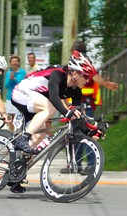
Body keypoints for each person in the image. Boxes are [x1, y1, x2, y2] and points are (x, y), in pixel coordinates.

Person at [9, 50, 96, 193]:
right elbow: (55, 98)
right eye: (85, 76)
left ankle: (14, 174)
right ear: (75, 73)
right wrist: (67, 112)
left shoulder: (76, 91)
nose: (88, 80)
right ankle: (23, 138)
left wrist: (90, 131)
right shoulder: (57, 74)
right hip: (22, 92)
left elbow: (77, 117)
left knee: (39, 136)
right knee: (49, 108)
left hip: (35, 102)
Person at [61, 40, 118, 175]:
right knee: (75, 134)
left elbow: (94, 76)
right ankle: (76, 164)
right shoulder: (78, 63)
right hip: (77, 103)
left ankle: (91, 165)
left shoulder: (84, 63)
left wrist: (105, 84)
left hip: (84, 104)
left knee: (86, 134)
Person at [4, 55, 26, 131]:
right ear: (10, 63)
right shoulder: (8, 73)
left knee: (19, 117)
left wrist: (15, 79)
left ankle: (19, 132)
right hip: (10, 98)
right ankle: (10, 133)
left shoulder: (22, 72)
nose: (14, 63)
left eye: (16, 61)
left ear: (18, 62)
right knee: (10, 117)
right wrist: (10, 79)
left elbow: (21, 83)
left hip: (20, 98)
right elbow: (6, 86)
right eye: (13, 61)